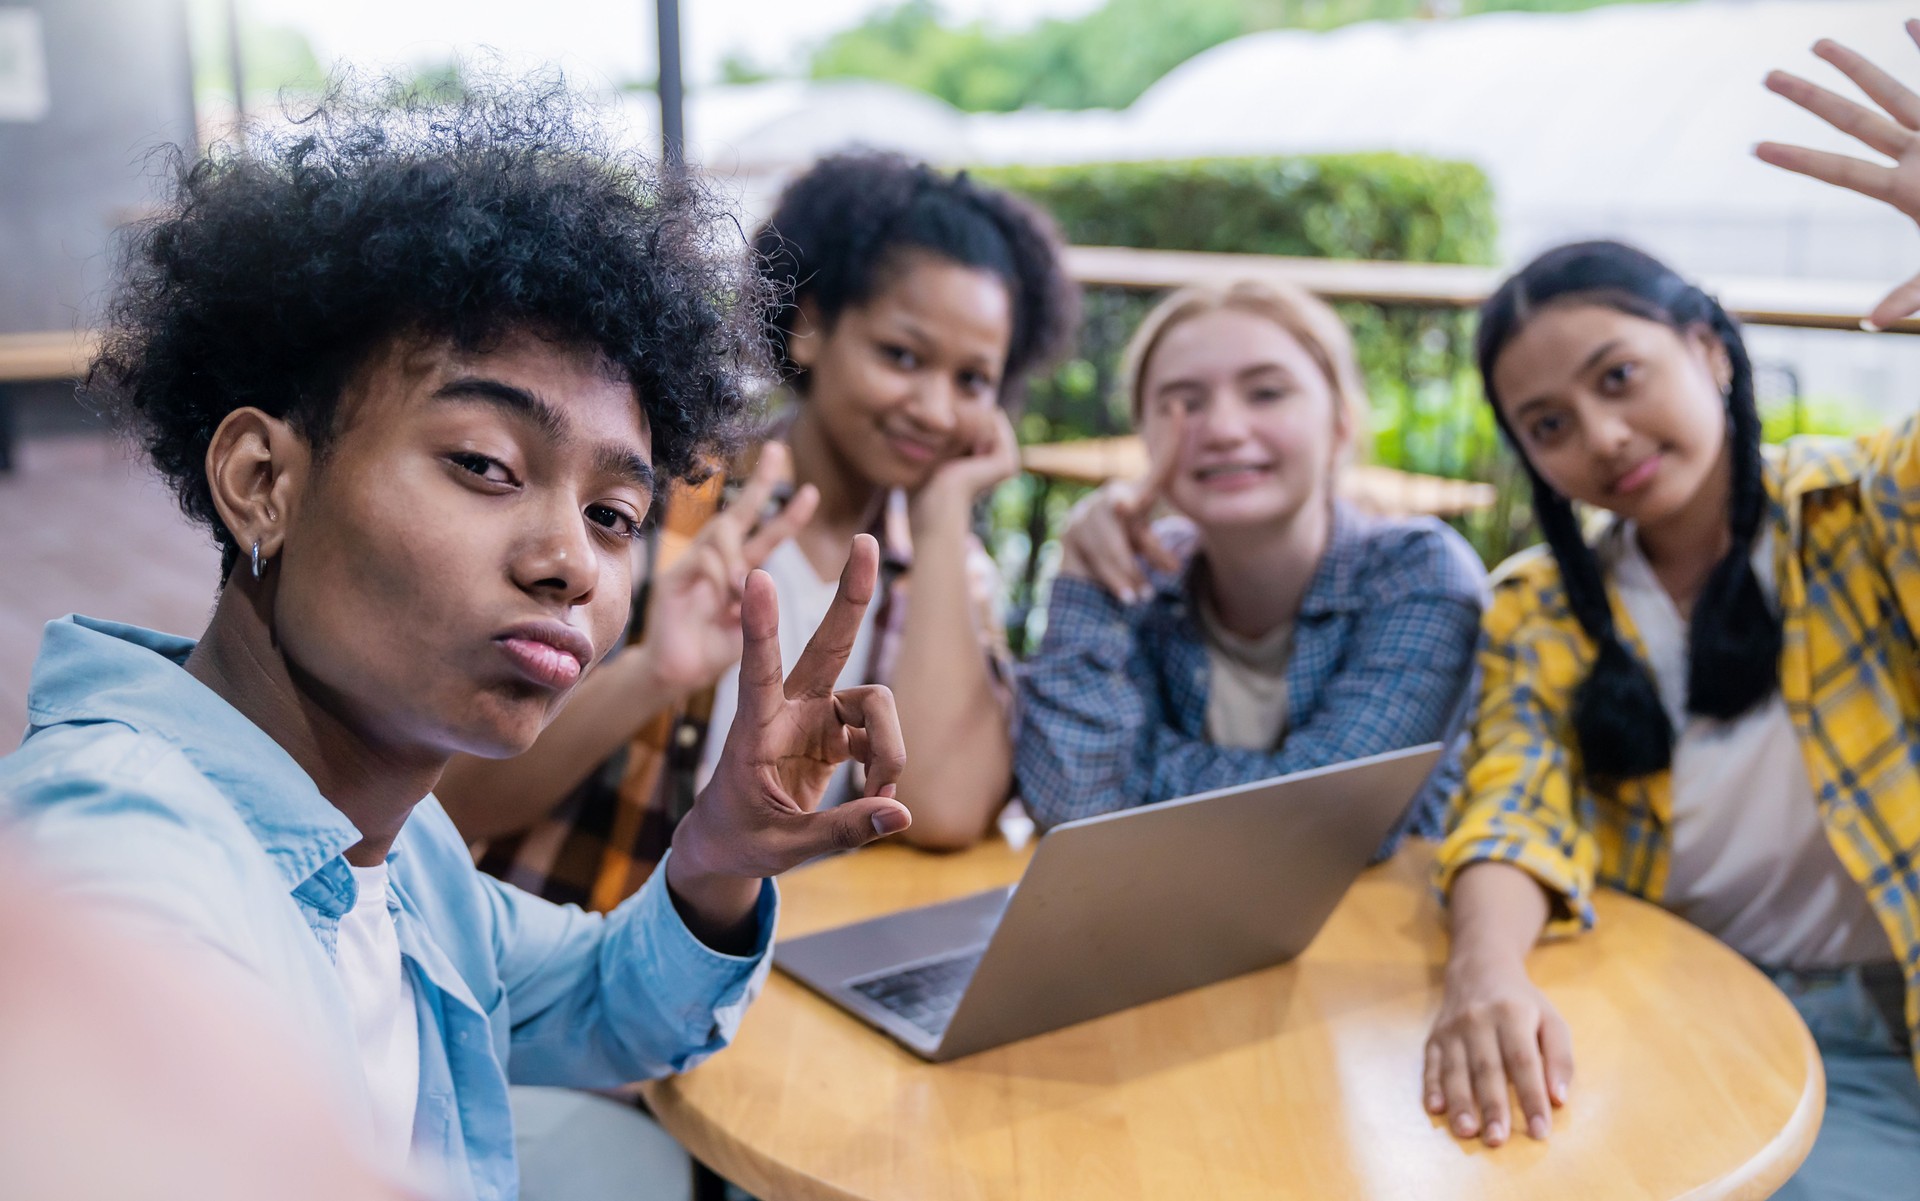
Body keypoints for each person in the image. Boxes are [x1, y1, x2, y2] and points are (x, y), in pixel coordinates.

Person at [0, 78, 913, 1201]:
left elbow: (591, 1002)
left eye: (613, 515)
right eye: (485, 464)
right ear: (260, 480)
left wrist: (716, 857)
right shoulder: (123, 863)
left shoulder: (398, 844)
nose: (570, 561)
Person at [1425, 30, 1920, 1194]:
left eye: (1617, 376)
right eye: (1546, 424)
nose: (1599, 437)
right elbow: (1514, 797)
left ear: (1710, 349)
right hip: (1657, 1009)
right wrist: (1485, 974)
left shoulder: (1859, 510)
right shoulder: (1542, 606)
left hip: (1870, 1036)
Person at [439, 149, 1079, 900]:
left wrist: (941, 524)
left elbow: (942, 812)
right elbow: (453, 803)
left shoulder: (946, 562)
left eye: (972, 380)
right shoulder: (656, 496)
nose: (937, 410)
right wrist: (653, 676)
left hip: (787, 965)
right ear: (810, 329)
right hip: (590, 957)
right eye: (901, 355)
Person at [1014, 279, 1484, 845]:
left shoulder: (1420, 574)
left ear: (1340, 424)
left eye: (1266, 393)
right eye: (1182, 403)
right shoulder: (1140, 579)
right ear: (1146, 436)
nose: (1223, 431)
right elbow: (1071, 803)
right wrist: (1085, 577)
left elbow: (1326, 828)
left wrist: (1130, 774)